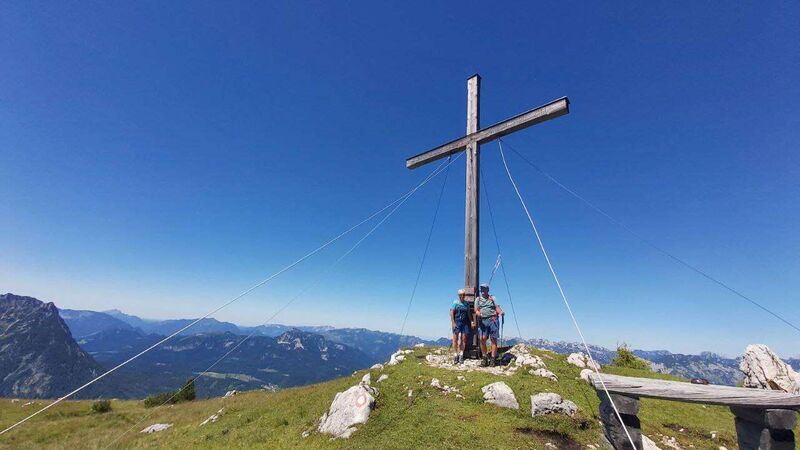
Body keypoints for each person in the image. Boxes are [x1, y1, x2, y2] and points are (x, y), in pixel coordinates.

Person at [475, 283, 504, 366]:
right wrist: (478, 314)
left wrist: (501, 312)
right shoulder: (478, 299)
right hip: (483, 321)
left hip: (493, 320)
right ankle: (484, 358)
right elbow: (476, 310)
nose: (482, 291)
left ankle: (492, 359)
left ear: (488, 290)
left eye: (484, 289)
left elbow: (497, 307)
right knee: (482, 339)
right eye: (481, 289)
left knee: (493, 339)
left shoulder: (493, 298)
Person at [450, 288, 472, 364]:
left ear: (465, 295)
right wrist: (453, 322)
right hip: (457, 322)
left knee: (463, 339)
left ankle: (461, 355)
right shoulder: (455, 303)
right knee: (455, 339)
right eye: (460, 295)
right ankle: (455, 355)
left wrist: (471, 321)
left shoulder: (467, 303)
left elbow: (469, 313)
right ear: (458, 295)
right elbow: (451, 312)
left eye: (463, 295)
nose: (462, 296)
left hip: (465, 322)